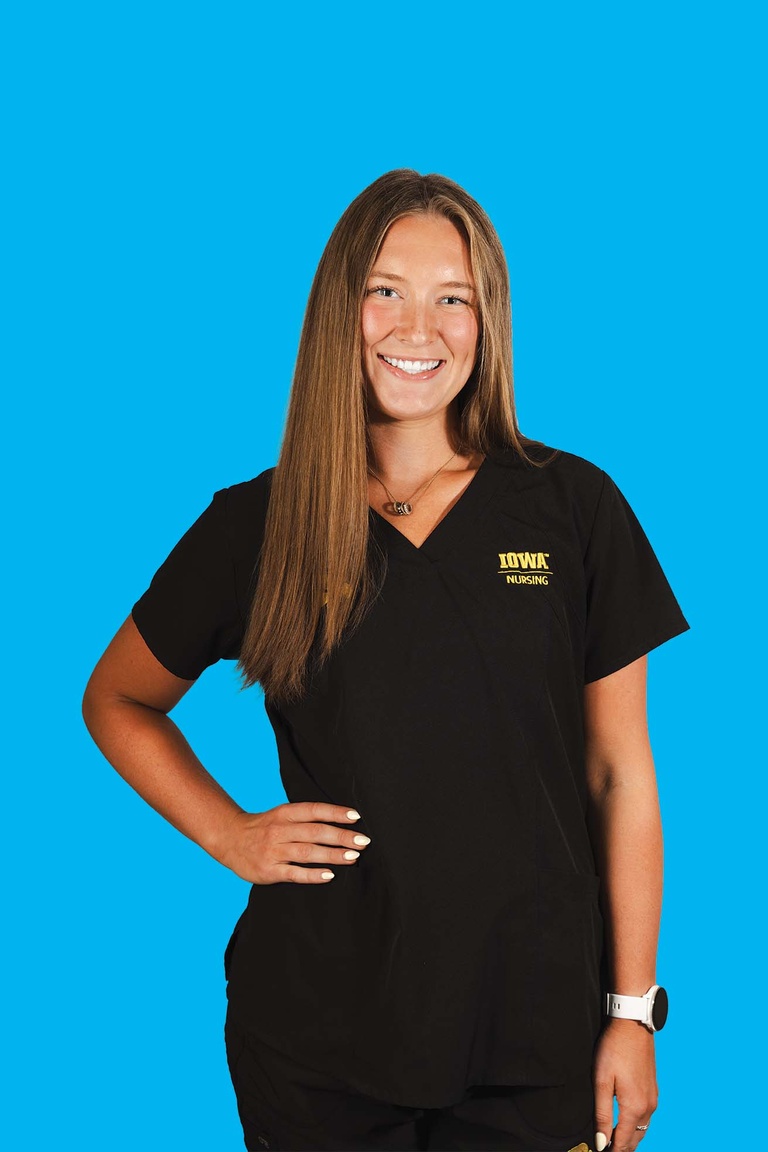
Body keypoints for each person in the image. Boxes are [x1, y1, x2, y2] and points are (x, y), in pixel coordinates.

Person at [82, 169, 688, 1152]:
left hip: (536, 1030)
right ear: (340, 310)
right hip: (317, 1039)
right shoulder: (258, 524)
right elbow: (117, 699)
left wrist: (631, 1010)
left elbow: (620, 774)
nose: (420, 328)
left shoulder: (574, 509)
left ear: (487, 323)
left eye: (455, 298)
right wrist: (232, 835)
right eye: (386, 291)